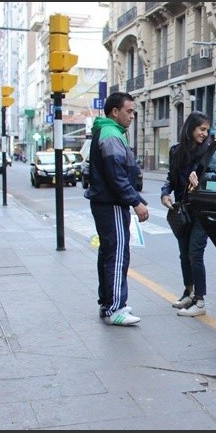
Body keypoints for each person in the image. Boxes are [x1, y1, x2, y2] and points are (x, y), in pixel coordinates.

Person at [84, 92, 149, 326]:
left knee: (109, 252)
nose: (132, 116)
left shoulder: (109, 132)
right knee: (118, 253)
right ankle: (115, 308)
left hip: (106, 202)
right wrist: (136, 202)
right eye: (129, 111)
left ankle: (108, 303)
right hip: (111, 203)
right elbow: (117, 175)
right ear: (115, 112)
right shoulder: (111, 134)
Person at [160, 111, 213, 316]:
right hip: (182, 211)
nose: (204, 133)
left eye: (207, 130)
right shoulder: (176, 151)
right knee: (184, 255)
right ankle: (189, 293)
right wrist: (165, 193)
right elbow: (170, 179)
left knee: (195, 254)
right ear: (191, 128)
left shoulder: (210, 152)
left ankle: (200, 302)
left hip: (200, 210)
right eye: (202, 129)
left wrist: (202, 179)